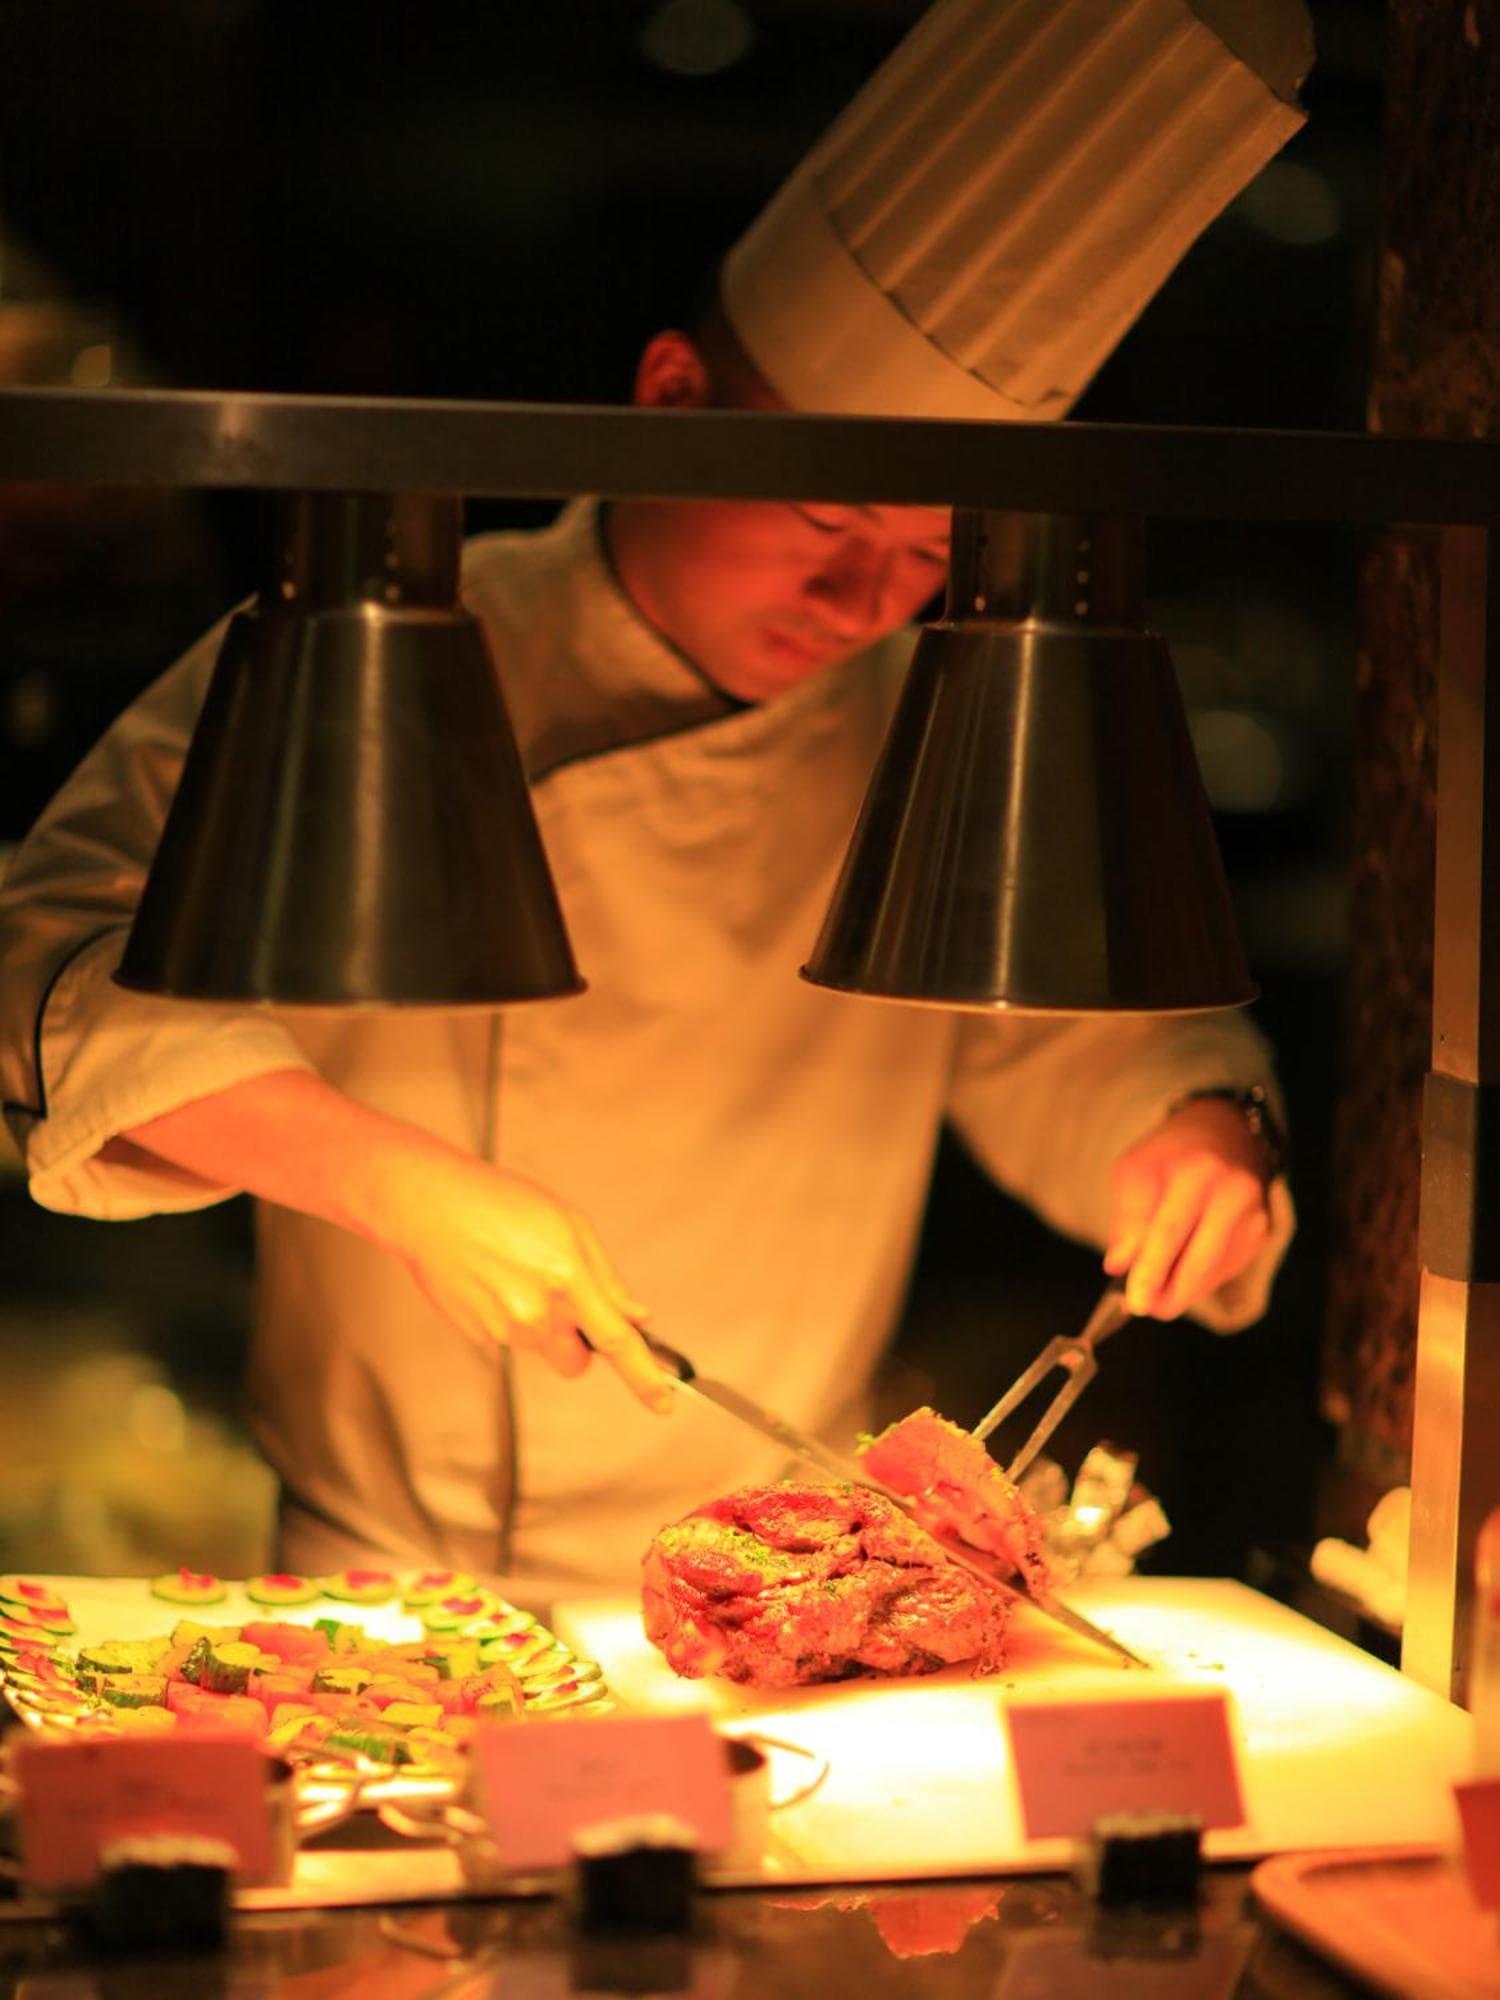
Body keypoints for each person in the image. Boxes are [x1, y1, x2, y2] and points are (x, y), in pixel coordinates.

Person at [0, 0, 1308, 1610]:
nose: (861, 600)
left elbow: (1069, 1042)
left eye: (925, 559)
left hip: (790, 1577)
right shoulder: (385, 649)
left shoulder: (926, 727)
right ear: (672, 396)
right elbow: (43, 964)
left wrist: (1192, 1131)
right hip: (380, 1578)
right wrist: (383, 1177)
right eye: (823, 523)